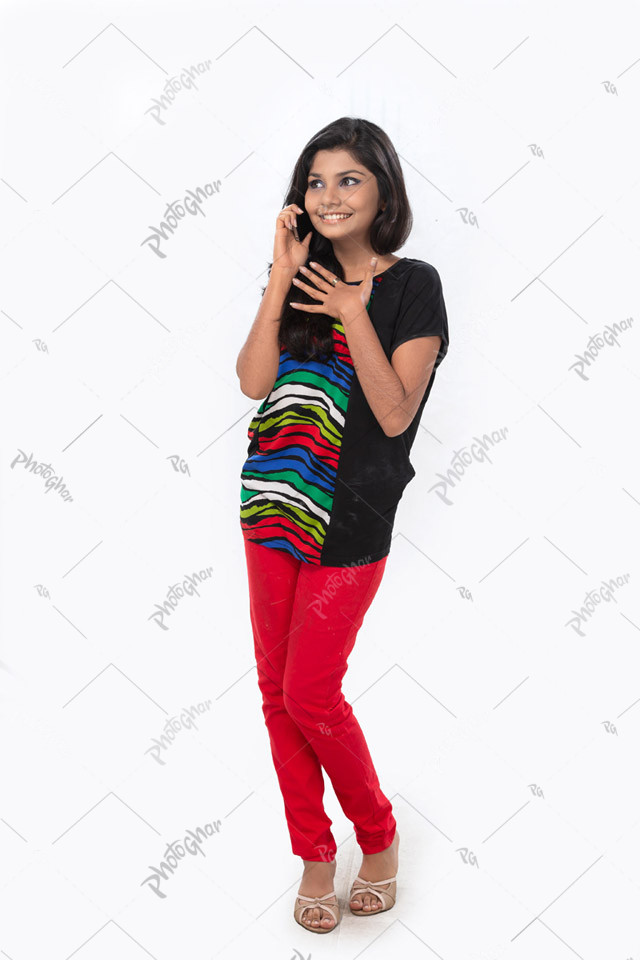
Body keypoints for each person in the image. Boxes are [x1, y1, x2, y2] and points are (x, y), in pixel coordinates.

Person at [236, 117, 449, 933]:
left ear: (383, 192)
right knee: (276, 694)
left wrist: (354, 312)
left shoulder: (413, 285)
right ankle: (315, 857)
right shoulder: (297, 277)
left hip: (351, 519)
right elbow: (255, 382)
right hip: (270, 506)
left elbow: (395, 417)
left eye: (349, 180)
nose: (329, 196)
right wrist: (279, 278)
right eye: (316, 181)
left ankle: (379, 833)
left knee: (311, 691)